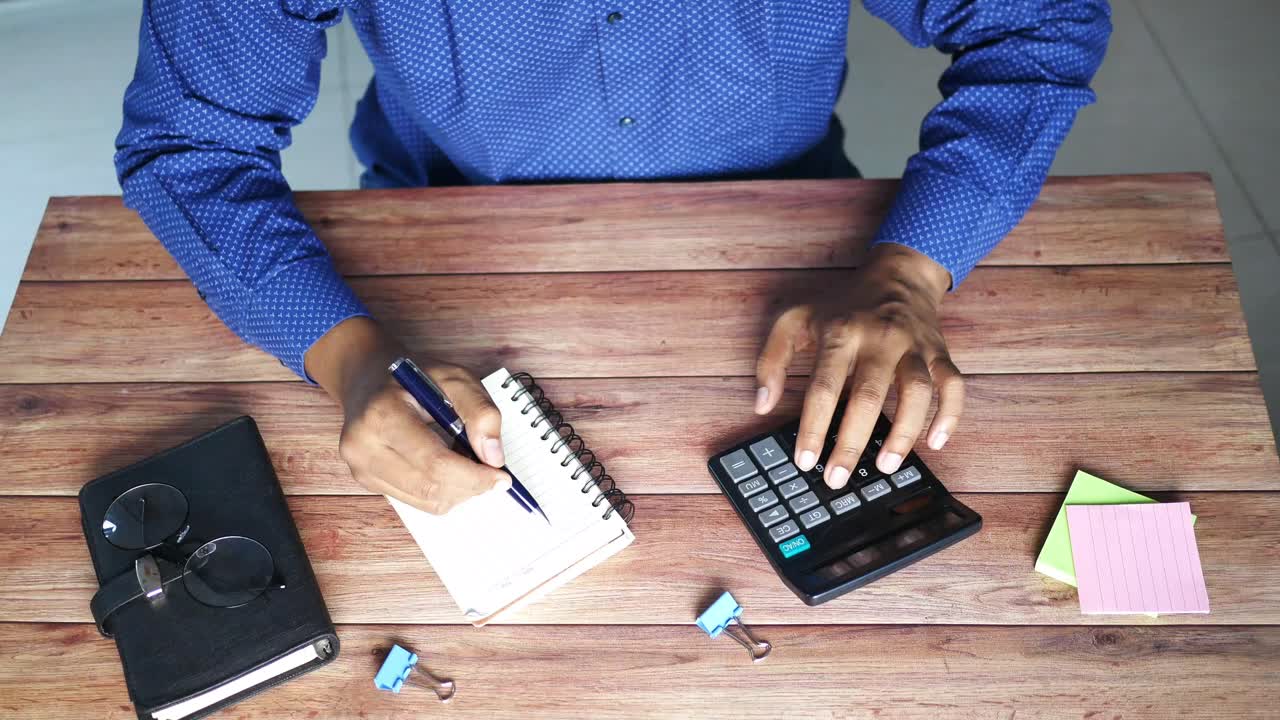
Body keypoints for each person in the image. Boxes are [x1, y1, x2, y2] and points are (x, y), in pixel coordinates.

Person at [115, 0, 1110, 515]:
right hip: (439, 258)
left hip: (801, 250)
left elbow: (1037, 19)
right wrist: (348, 359)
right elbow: (188, 144)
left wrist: (912, 267)